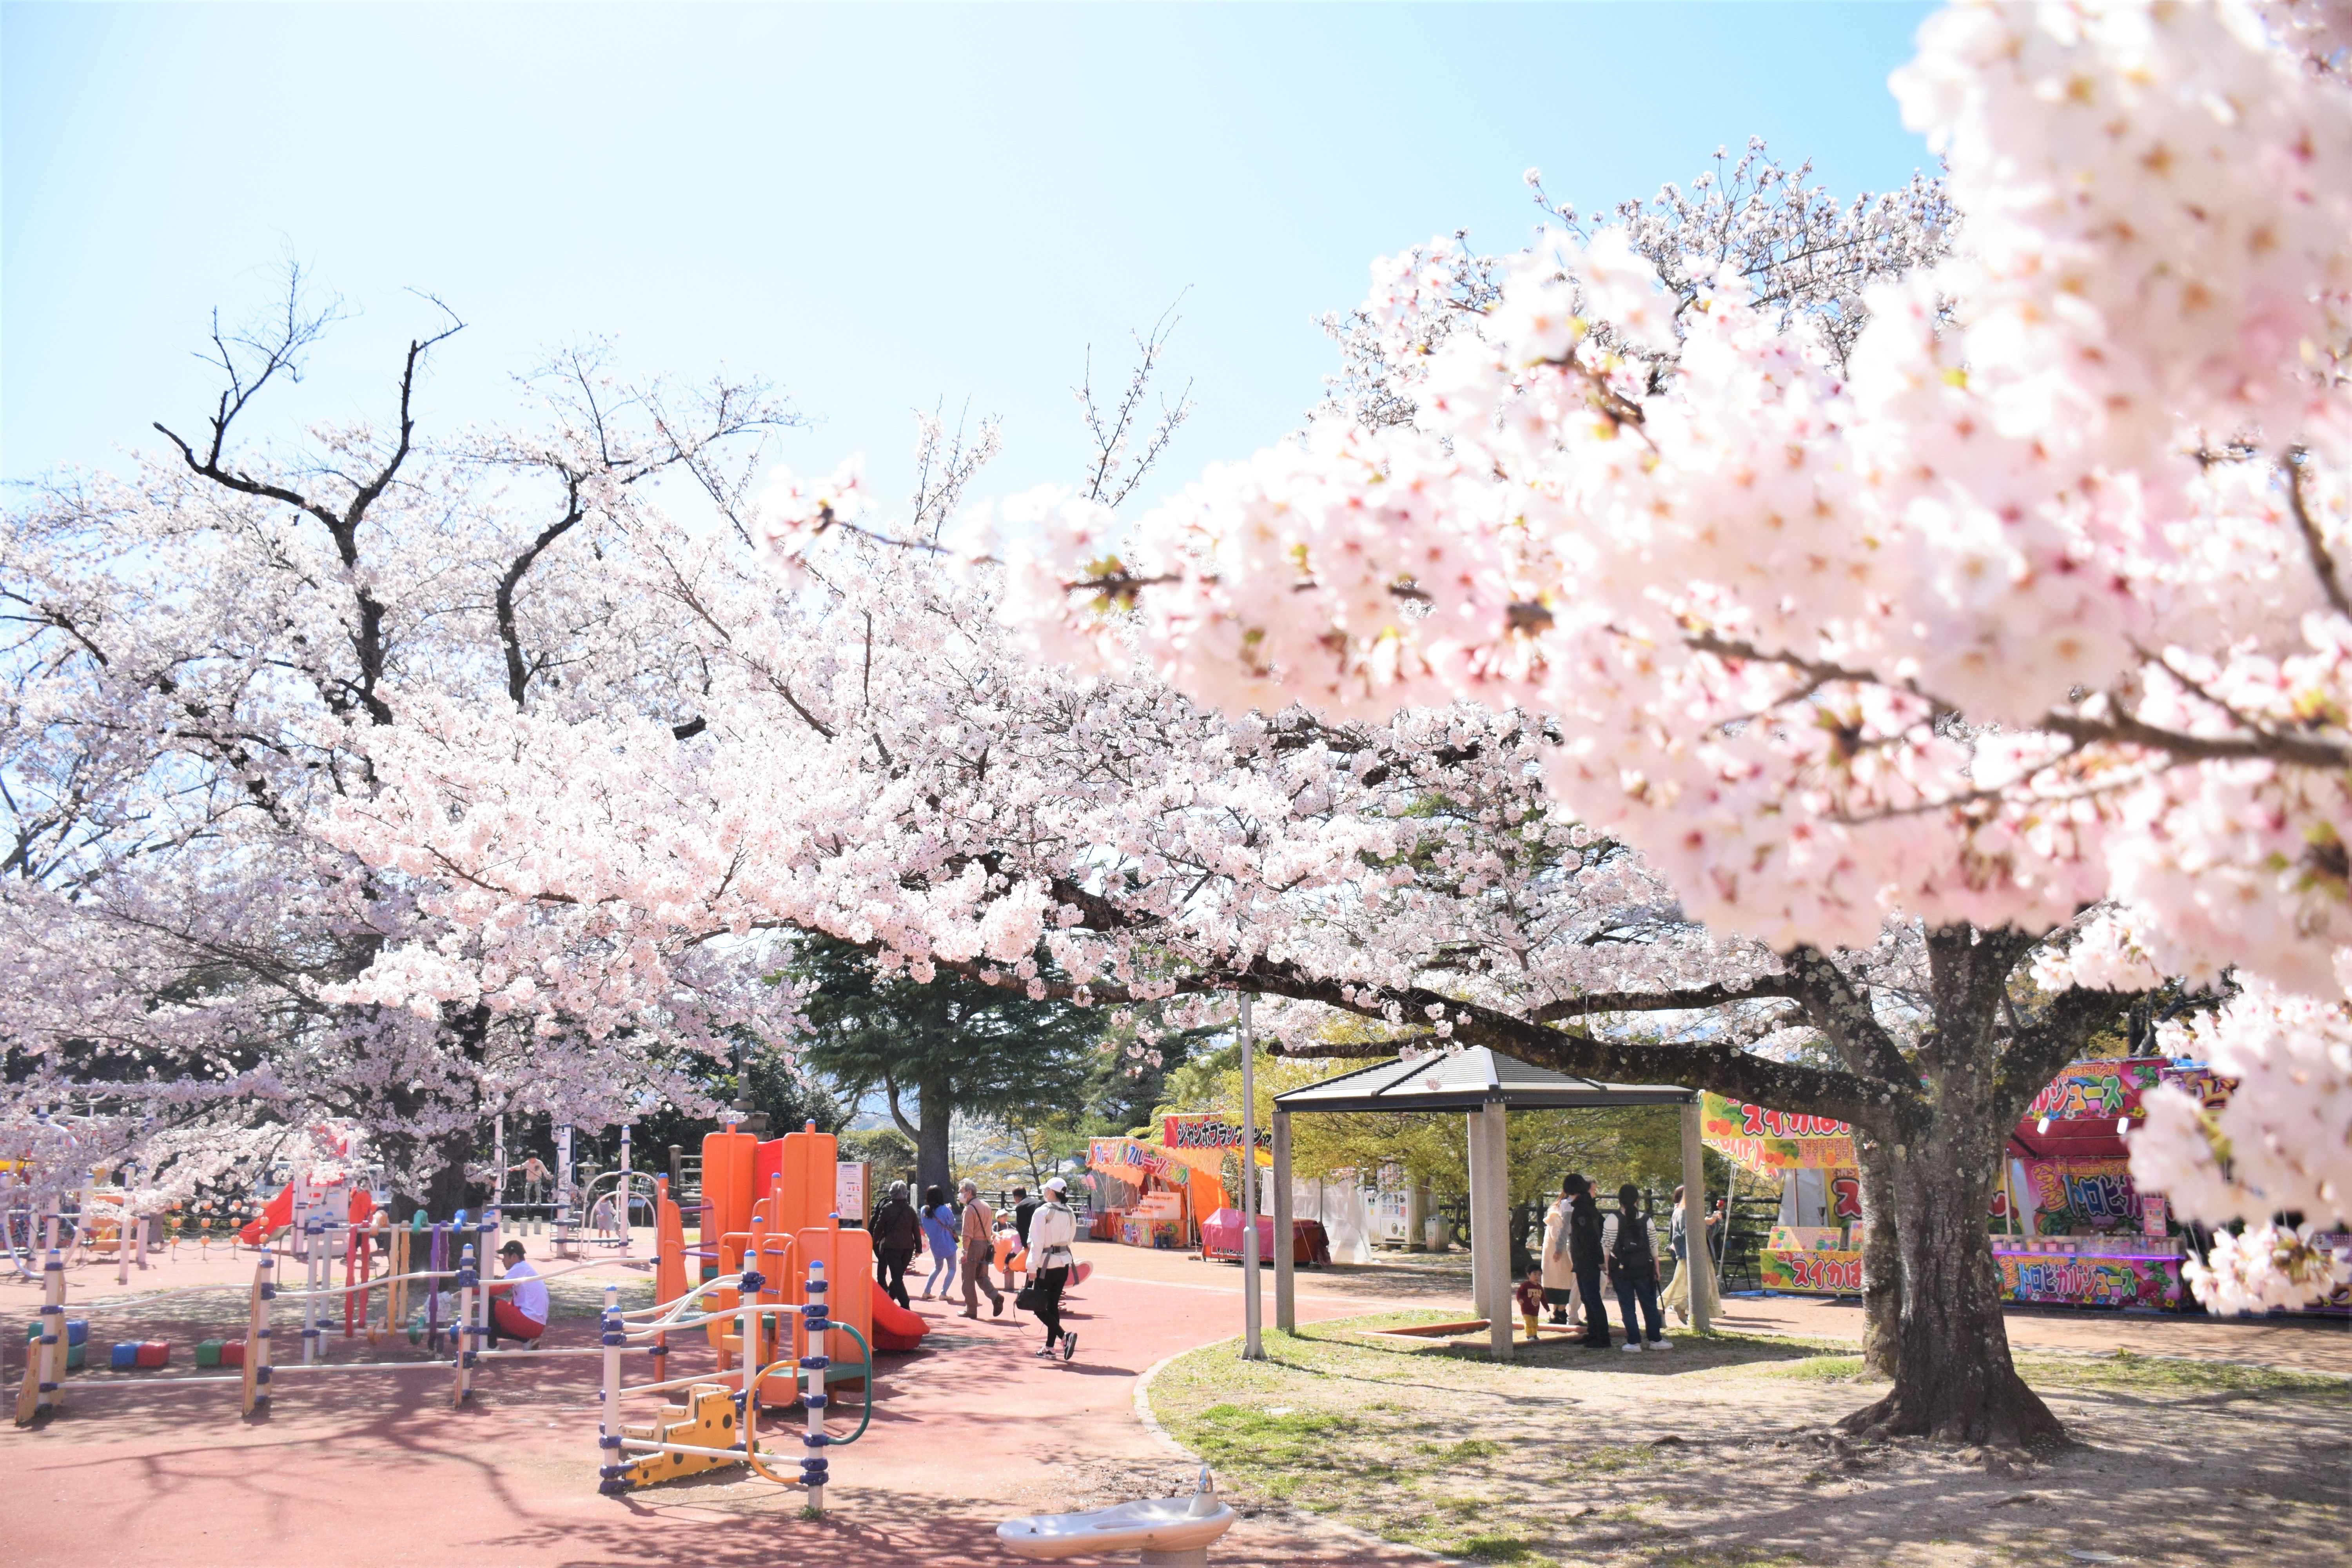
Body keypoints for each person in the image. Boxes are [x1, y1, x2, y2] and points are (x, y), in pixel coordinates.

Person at [1601, 1183, 1671, 1353]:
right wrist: (1657, 1267)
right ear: (1638, 1200)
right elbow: (1654, 1246)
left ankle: (1634, 1342)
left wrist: (1608, 1269)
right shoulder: (1647, 1219)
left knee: (1627, 1306)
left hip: (1621, 1269)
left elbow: (1606, 1246)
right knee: (1649, 1304)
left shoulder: (1612, 1219)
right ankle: (1656, 1340)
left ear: (1620, 1201)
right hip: (1644, 1267)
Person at [1026, 1175, 1080, 1362]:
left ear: (1051, 1192)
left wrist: (1031, 1266)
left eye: (1045, 1190)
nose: (1044, 1193)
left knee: (1038, 1306)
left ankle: (1064, 1337)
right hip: (1063, 1263)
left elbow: (1037, 1242)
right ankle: (1050, 1348)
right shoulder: (1070, 1212)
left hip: (1045, 1265)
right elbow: (1071, 1237)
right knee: (1052, 1305)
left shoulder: (1042, 1212)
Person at [1564, 1173, 1612, 1350]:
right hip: (1584, 1259)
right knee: (1588, 1297)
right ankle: (1594, 1333)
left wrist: (1599, 1259)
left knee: (1592, 1298)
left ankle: (1602, 1337)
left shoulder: (1582, 1208)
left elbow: (1591, 1236)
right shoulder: (1587, 1206)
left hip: (1587, 1259)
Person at [956, 1179, 1005, 1319]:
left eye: (961, 1192)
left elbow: (967, 1234)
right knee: (982, 1276)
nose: (960, 1195)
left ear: (969, 1192)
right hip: (986, 1245)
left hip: (973, 1247)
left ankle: (971, 1309)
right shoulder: (986, 1206)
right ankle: (995, 1296)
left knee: (968, 1278)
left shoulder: (969, 1209)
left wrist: (964, 1252)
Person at [869, 1180, 921, 1309]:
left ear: (892, 1193)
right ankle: (889, 1300)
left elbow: (878, 1226)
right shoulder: (911, 1210)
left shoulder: (887, 1209)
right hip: (908, 1248)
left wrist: (874, 1241)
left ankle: (905, 1304)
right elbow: (916, 1230)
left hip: (892, 1248)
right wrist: (919, 1248)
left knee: (897, 1278)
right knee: (898, 1276)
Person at [486, 1239, 548, 1347]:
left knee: (490, 1301)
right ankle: (527, 1341)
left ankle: (491, 1347)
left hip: (530, 1322)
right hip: (537, 1324)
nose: (503, 1260)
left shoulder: (519, 1268)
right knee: (494, 1316)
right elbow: (515, 1305)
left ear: (514, 1257)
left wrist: (470, 1290)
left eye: (505, 1256)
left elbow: (497, 1289)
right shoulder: (526, 1269)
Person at [1540, 1184, 1582, 1329]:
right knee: (1561, 1282)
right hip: (1558, 1252)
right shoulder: (1556, 1211)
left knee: (1564, 1281)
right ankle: (1559, 1312)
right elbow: (1556, 1233)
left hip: (1563, 1251)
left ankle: (1559, 1312)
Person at [917, 1185, 958, 1299]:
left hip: (935, 1243)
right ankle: (943, 1293)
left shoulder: (924, 1210)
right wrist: (949, 1210)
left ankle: (927, 1291)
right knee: (952, 1268)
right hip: (947, 1243)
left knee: (938, 1267)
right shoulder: (944, 1209)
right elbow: (952, 1223)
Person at [1004, 1186, 1036, 1292]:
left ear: (1017, 1198)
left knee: (1031, 1262)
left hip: (1033, 1238)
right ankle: (1030, 1286)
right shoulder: (1036, 1202)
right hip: (1044, 1235)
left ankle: (1028, 1288)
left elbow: (1021, 1228)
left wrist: (1025, 1244)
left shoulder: (1021, 1206)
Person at [1515, 1264, 1545, 1341]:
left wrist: (1547, 1307)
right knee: (1529, 1323)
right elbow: (1519, 1293)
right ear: (1529, 1275)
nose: (1537, 1277)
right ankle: (1529, 1335)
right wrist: (1520, 1299)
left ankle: (1535, 1335)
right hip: (1526, 1309)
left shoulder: (1539, 1287)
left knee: (1535, 1323)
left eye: (1539, 1275)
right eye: (1535, 1274)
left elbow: (1543, 1297)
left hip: (1535, 1309)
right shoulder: (1525, 1285)